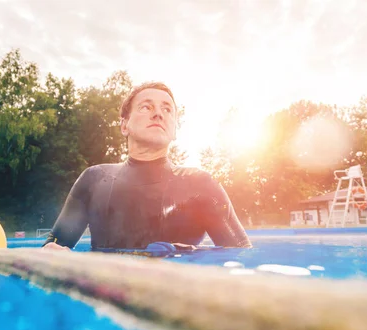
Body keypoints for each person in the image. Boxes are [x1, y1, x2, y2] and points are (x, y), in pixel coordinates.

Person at [43, 82, 251, 251]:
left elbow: (242, 256)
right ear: (125, 125)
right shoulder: (94, 179)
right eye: (146, 107)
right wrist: (53, 253)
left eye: (167, 109)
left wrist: (191, 253)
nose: (158, 114)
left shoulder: (201, 185)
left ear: (175, 131)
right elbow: (51, 251)